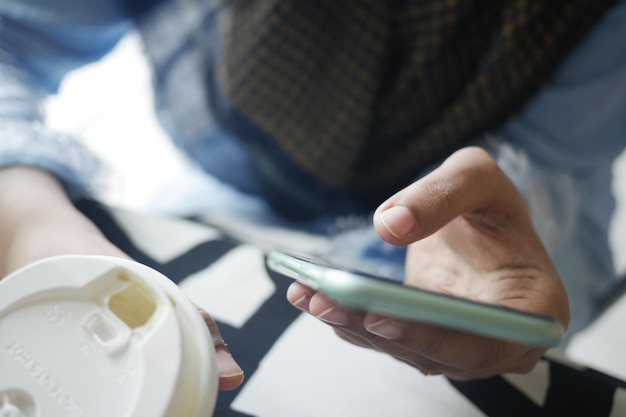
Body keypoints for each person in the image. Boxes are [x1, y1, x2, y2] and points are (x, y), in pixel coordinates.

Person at [0, 0, 625, 391]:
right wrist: (29, 224)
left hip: (508, 240)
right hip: (224, 188)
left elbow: (547, 164)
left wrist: (463, 252)